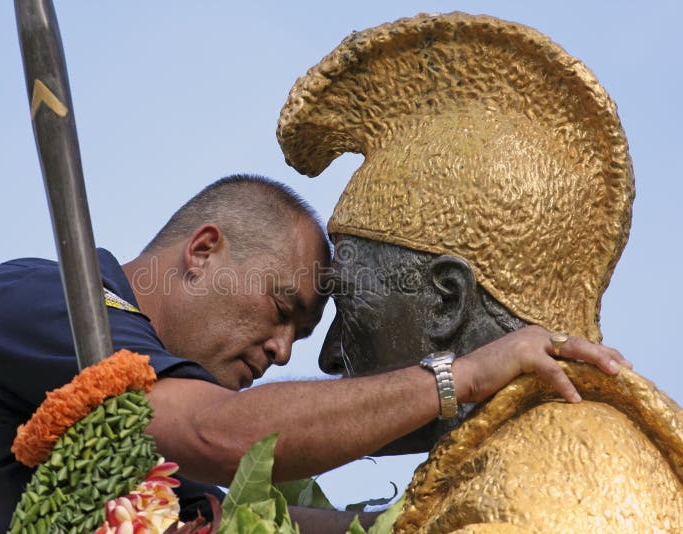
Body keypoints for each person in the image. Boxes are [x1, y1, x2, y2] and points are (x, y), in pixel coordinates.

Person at [0, 175, 627, 533]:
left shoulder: (149, 460)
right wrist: (460, 375)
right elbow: (226, 437)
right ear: (205, 251)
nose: (280, 351)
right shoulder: (53, 306)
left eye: (298, 341)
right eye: (282, 311)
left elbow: (265, 521)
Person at [277, 12, 683, 531]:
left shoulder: (571, 468)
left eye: (351, 307)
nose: (330, 356)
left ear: (447, 301)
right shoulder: (507, 463)